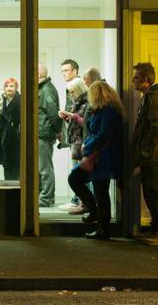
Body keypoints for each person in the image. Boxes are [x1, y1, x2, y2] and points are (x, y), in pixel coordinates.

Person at [66, 81, 123, 240]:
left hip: (102, 156)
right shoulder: (102, 110)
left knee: (99, 191)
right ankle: (96, 215)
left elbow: (104, 134)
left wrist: (87, 146)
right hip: (98, 155)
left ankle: (102, 228)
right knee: (89, 185)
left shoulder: (108, 112)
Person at [131, 62, 158, 246]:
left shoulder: (155, 98)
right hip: (152, 155)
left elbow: (156, 127)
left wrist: (145, 151)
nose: (133, 80)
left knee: (155, 193)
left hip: (155, 156)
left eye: (136, 78)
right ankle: (156, 229)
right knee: (150, 193)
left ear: (146, 80)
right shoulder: (149, 97)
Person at [58, 77, 89, 215]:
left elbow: (86, 122)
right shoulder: (78, 101)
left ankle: (84, 204)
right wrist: (67, 117)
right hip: (76, 141)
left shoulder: (86, 102)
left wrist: (74, 116)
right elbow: (77, 121)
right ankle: (82, 202)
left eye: (72, 92)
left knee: (80, 175)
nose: (71, 95)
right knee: (77, 174)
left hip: (82, 142)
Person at [58, 59, 83, 212]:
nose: (64, 74)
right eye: (62, 71)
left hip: (79, 137)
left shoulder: (77, 87)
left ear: (75, 71)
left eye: (66, 70)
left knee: (78, 170)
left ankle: (80, 201)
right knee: (76, 170)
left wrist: (70, 116)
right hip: (74, 134)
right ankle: (77, 199)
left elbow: (80, 114)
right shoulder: (71, 87)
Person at [38, 63, 62, 207]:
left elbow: (53, 114)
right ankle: (43, 196)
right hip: (41, 132)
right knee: (42, 168)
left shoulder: (46, 89)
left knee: (45, 168)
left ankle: (46, 198)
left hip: (44, 133)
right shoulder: (43, 88)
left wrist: (58, 131)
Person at [0, 77, 21, 180]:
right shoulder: (1, 100)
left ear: (16, 88)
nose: (9, 88)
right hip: (3, 137)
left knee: (15, 165)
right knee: (5, 164)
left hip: (16, 137)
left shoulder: (20, 101)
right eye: (6, 86)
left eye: (12, 86)